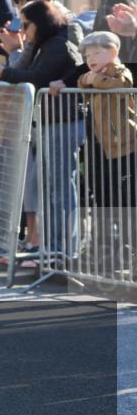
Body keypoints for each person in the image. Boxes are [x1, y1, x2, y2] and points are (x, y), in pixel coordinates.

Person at [0, 0, 83, 257]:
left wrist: (4, 72)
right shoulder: (47, 43)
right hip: (53, 122)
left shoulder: (59, 45)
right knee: (51, 189)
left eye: (26, 25)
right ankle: (54, 250)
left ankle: (64, 251)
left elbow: (37, 79)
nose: (23, 30)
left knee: (60, 189)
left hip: (63, 122)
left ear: (41, 23)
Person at [76, 32, 136, 263]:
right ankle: (104, 247)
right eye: (88, 55)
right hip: (99, 145)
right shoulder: (91, 75)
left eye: (97, 53)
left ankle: (128, 247)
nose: (91, 59)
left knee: (126, 197)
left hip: (123, 144)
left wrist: (94, 80)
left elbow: (121, 83)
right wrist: (89, 79)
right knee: (102, 195)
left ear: (113, 53)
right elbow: (81, 82)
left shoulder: (119, 71)